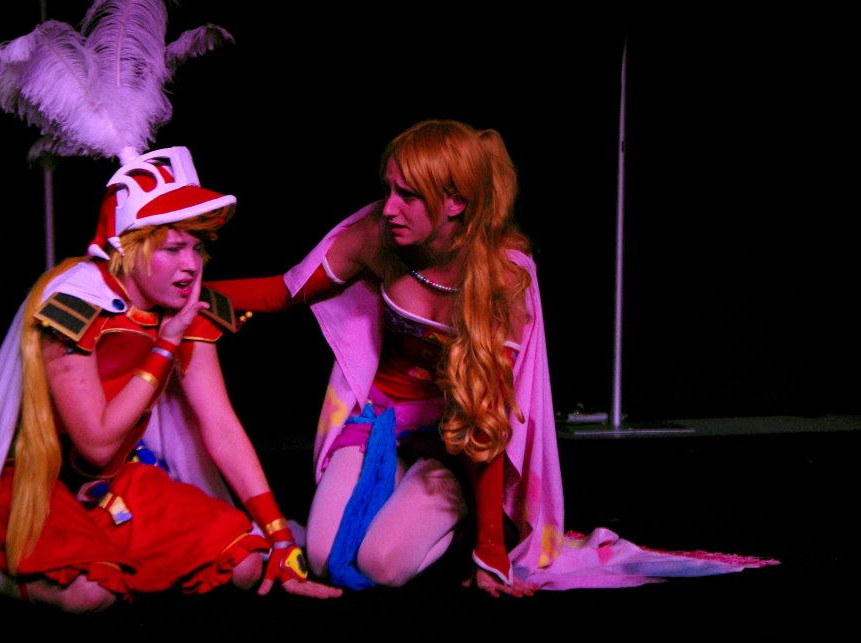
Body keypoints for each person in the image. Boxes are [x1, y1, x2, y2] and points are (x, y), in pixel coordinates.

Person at [206, 119, 775, 595]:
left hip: (453, 445)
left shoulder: (500, 277)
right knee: (327, 559)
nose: (390, 208)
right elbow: (283, 290)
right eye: (389, 189)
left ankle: (450, 525)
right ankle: (384, 506)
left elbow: (486, 416)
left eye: (408, 196)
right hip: (377, 424)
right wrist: (189, 296)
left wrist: (490, 550)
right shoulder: (376, 236)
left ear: (455, 203)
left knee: (382, 566)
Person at [0, 147, 341, 610]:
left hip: (112, 481)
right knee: (90, 595)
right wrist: (166, 346)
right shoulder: (75, 303)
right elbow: (97, 444)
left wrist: (278, 536)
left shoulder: (181, 306)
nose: (192, 264)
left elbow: (220, 425)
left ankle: (114, 549)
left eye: (197, 247)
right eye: (173, 248)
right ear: (127, 248)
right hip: (31, 478)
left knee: (242, 563)